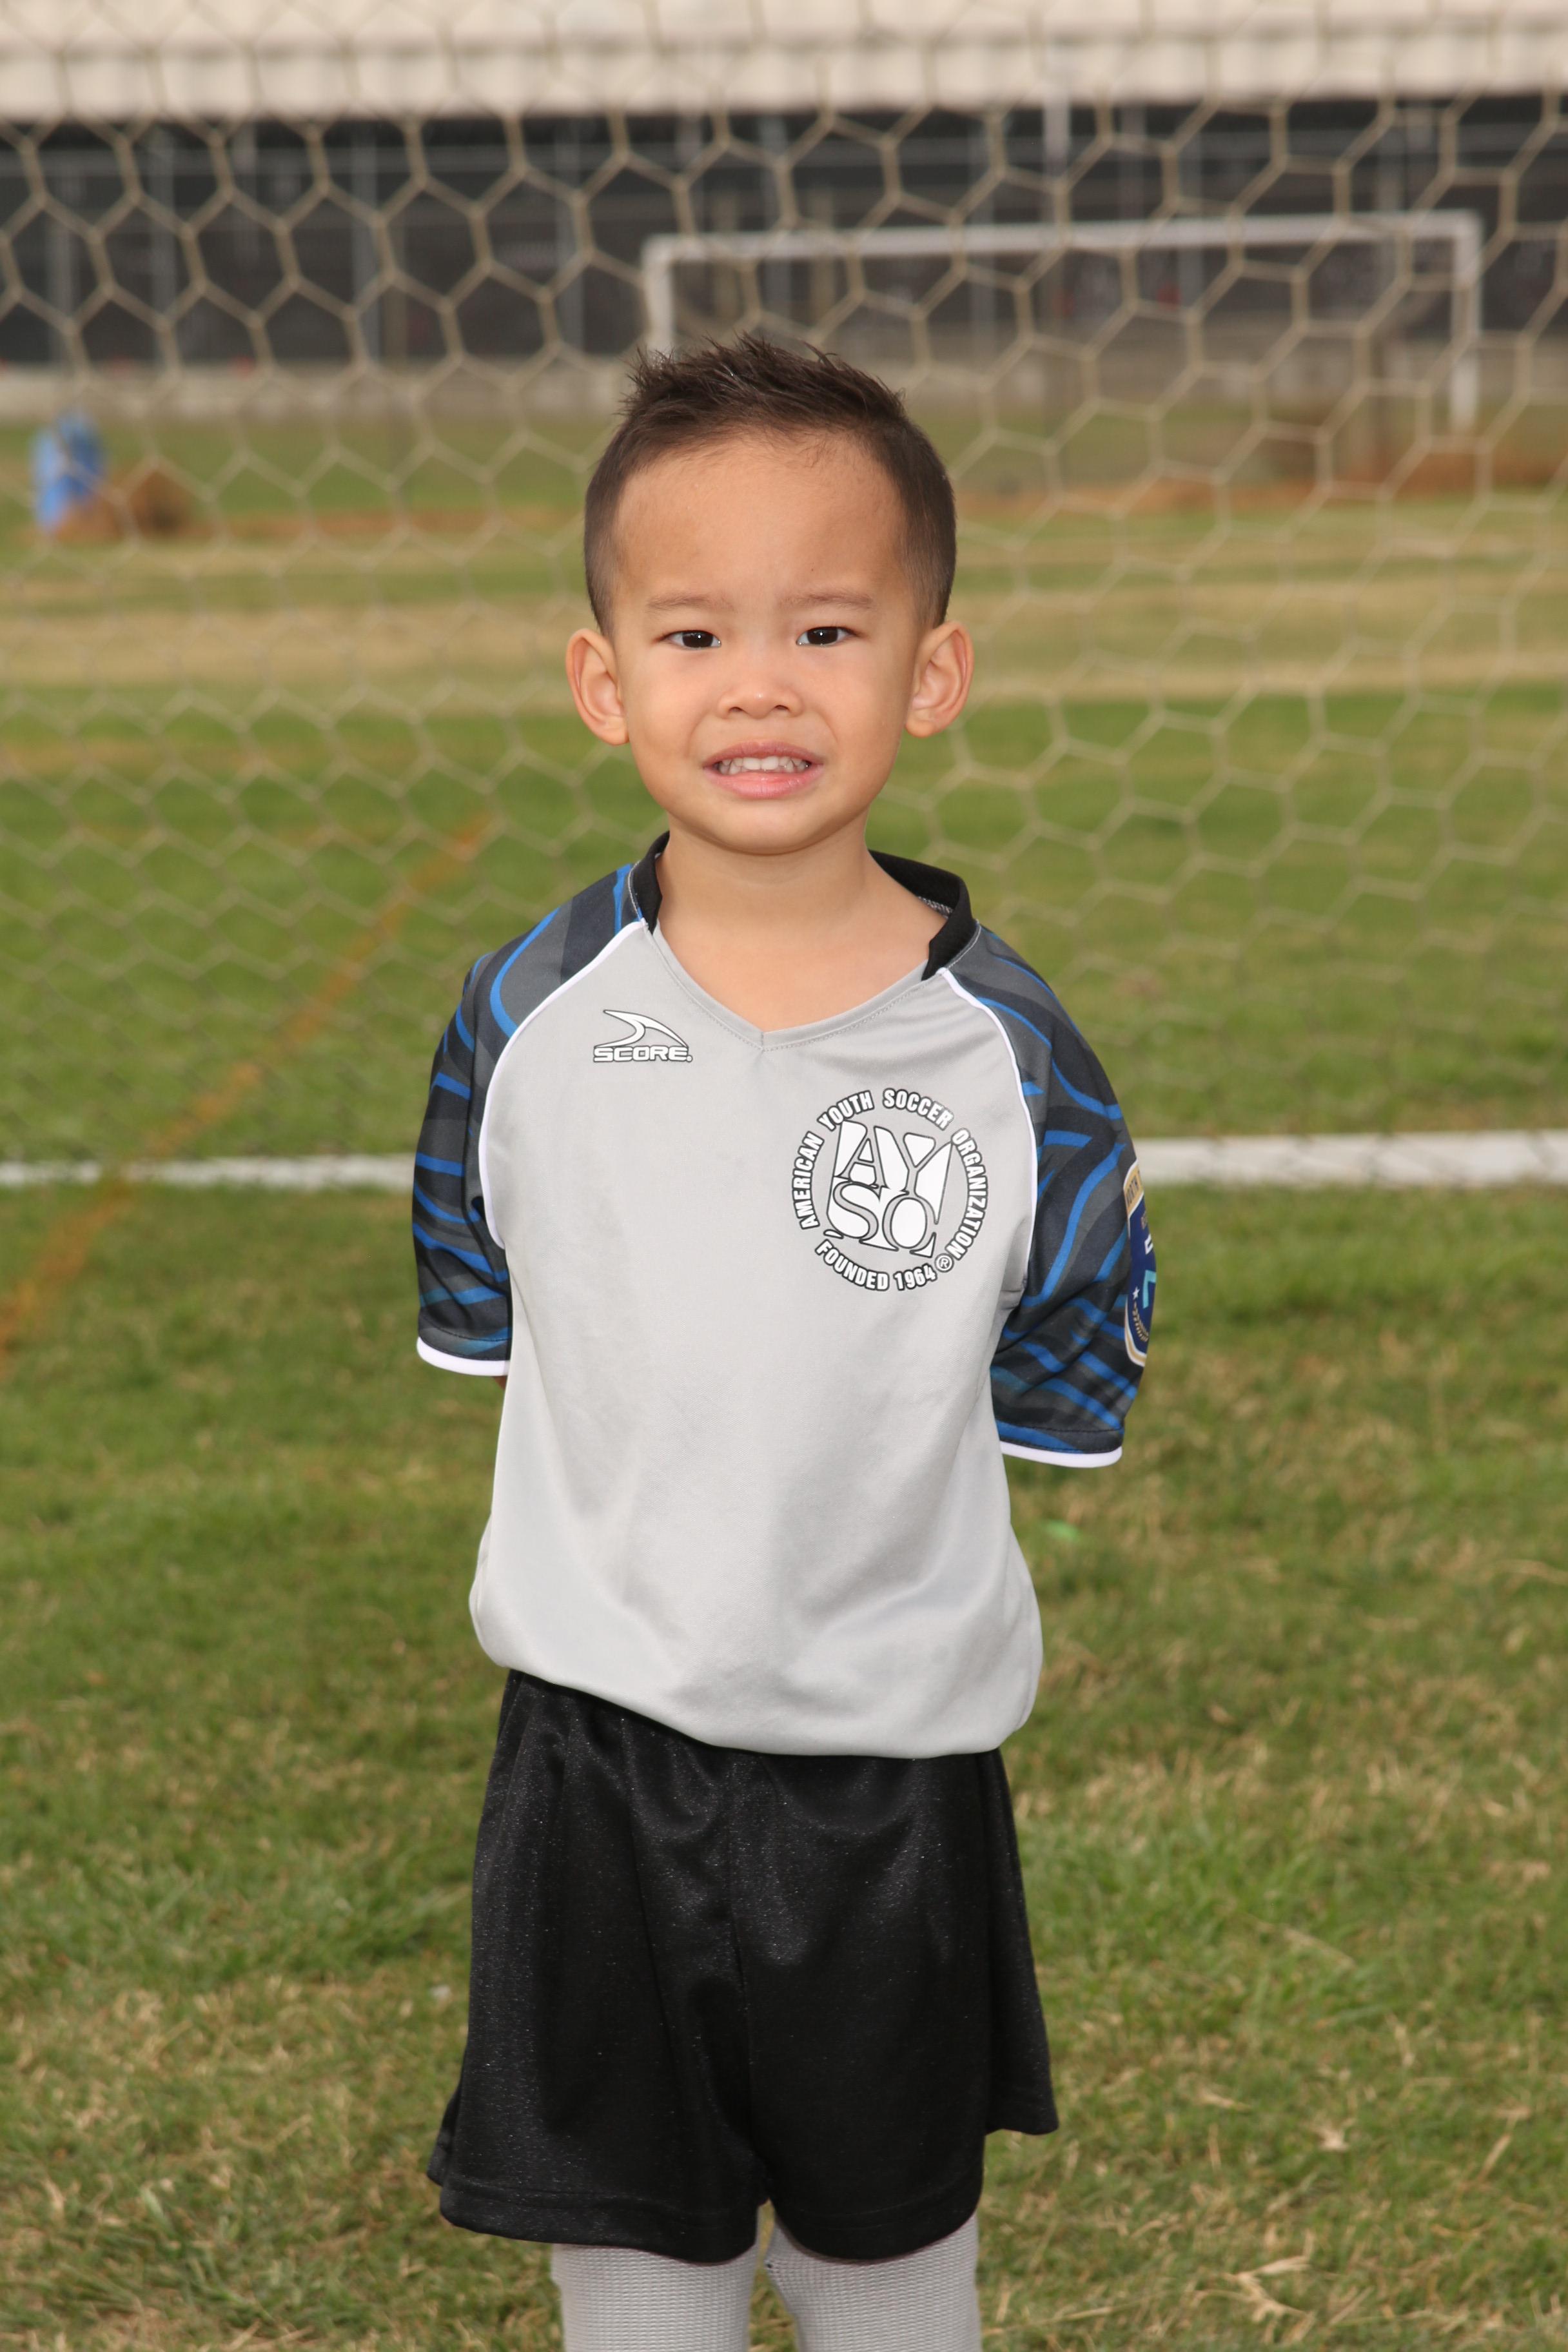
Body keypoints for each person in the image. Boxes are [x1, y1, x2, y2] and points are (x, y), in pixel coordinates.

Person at [411, 334, 1155, 2351]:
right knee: (635, 2257)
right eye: (694, 633)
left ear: (932, 669)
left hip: (891, 1776)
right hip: (593, 1758)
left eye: (826, 628)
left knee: (886, 2252)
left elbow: (1062, 1366)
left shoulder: (1020, 1062)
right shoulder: (522, 1019)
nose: (760, 684)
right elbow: (483, 1297)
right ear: (604, 682)